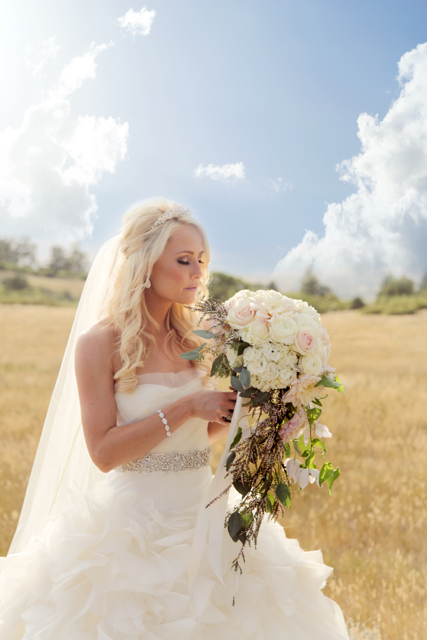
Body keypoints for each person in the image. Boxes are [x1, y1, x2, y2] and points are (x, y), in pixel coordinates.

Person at [0, 197, 350, 639]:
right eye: (183, 260)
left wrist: (255, 404)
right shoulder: (99, 344)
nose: (197, 273)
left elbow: (202, 429)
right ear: (146, 264)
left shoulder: (198, 339)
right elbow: (104, 453)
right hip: (133, 526)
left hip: (204, 511)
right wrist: (187, 405)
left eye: (201, 261)